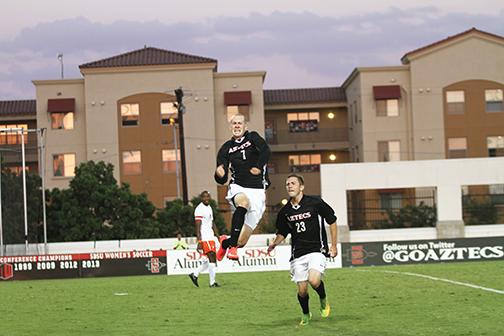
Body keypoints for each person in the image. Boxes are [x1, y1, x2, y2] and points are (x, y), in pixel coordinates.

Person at [268, 174, 337, 326]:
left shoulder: (315, 203)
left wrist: (333, 245)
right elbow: (282, 232)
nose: (290, 186)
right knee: (302, 291)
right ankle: (306, 314)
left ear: (301, 187)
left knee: (314, 280)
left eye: (293, 183)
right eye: (287, 184)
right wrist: (274, 243)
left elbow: (332, 220)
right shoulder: (285, 211)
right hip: (298, 253)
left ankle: (323, 299)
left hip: (316, 249)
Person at [214, 113, 271, 261]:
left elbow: (266, 151)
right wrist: (219, 174)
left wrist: (259, 167)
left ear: (245, 126)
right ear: (230, 127)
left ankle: (226, 242)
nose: (237, 126)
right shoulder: (226, 148)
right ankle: (232, 247)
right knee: (243, 203)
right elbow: (222, 177)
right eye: (234, 123)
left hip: (258, 190)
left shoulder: (253, 137)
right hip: (238, 186)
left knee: (241, 241)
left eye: (240, 123)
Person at [188, 191, 221, 288]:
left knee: (210, 260)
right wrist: (199, 241)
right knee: (212, 258)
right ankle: (212, 283)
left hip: (210, 236)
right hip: (205, 237)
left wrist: (217, 235)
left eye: (208, 196)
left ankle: (195, 274)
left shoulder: (209, 207)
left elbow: (212, 222)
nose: (206, 198)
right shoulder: (199, 209)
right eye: (204, 197)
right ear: (201, 198)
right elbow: (197, 226)